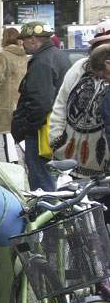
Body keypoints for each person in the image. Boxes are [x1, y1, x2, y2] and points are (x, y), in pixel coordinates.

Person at [10, 21, 71, 191]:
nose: (22, 44)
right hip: (55, 128)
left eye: (23, 40)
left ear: (33, 40)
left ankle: (47, 213)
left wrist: (26, 128)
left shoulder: (42, 62)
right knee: (51, 176)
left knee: (41, 180)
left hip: (41, 132)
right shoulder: (58, 56)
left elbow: (40, 102)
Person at [49, 23, 110, 176]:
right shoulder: (79, 67)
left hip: (102, 167)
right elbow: (61, 104)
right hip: (68, 160)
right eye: (100, 45)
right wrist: (56, 139)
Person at [0, 27, 28, 160]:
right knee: (21, 132)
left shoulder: (4, 55)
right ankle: (28, 157)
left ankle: (12, 161)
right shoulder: (25, 55)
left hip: (7, 98)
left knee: (7, 132)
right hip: (22, 97)